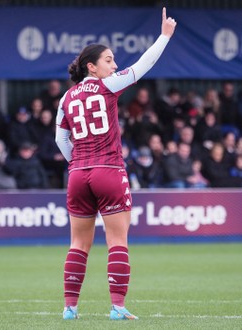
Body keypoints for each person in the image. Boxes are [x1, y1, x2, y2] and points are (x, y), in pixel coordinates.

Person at [54, 7, 176, 321]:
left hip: (78, 174)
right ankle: (118, 307)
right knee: (117, 240)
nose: (115, 64)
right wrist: (163, 37)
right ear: (92, 67)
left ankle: (70, 309)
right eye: (109, 60)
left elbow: (60, 140)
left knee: (78, 243)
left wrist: (78, 162)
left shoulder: (66, 99)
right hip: (108, 170)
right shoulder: (108, 85)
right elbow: (142, 66)